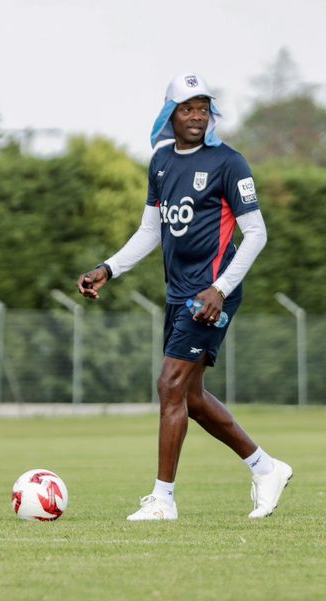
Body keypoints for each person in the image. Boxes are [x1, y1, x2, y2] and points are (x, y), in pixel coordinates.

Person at [76, 73, 292, 521]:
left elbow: (256, 234)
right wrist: (108, 268)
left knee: (169, 385)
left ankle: (163, 500)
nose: (196, 116)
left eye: (203, 108)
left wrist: (220, 288)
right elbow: (150, 230)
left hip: (211, 294)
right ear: (169, 114)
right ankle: (265, 467)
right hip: (179, 295)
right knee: (190, 397)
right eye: (186, 108)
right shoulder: (160, 162)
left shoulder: (229, 162)